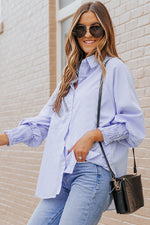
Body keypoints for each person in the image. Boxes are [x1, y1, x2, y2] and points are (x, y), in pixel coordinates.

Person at [0, 1, 145, 225]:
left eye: (95, 28)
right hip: (62, 174)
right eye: (80, 29)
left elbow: (132, 127)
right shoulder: (69, 78)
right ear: (74, 33)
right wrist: (5, 137)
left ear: (105, 30)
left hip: (93, 173)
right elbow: (44, 122)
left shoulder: (115, 69)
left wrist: (93, 135)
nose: (88, 34)